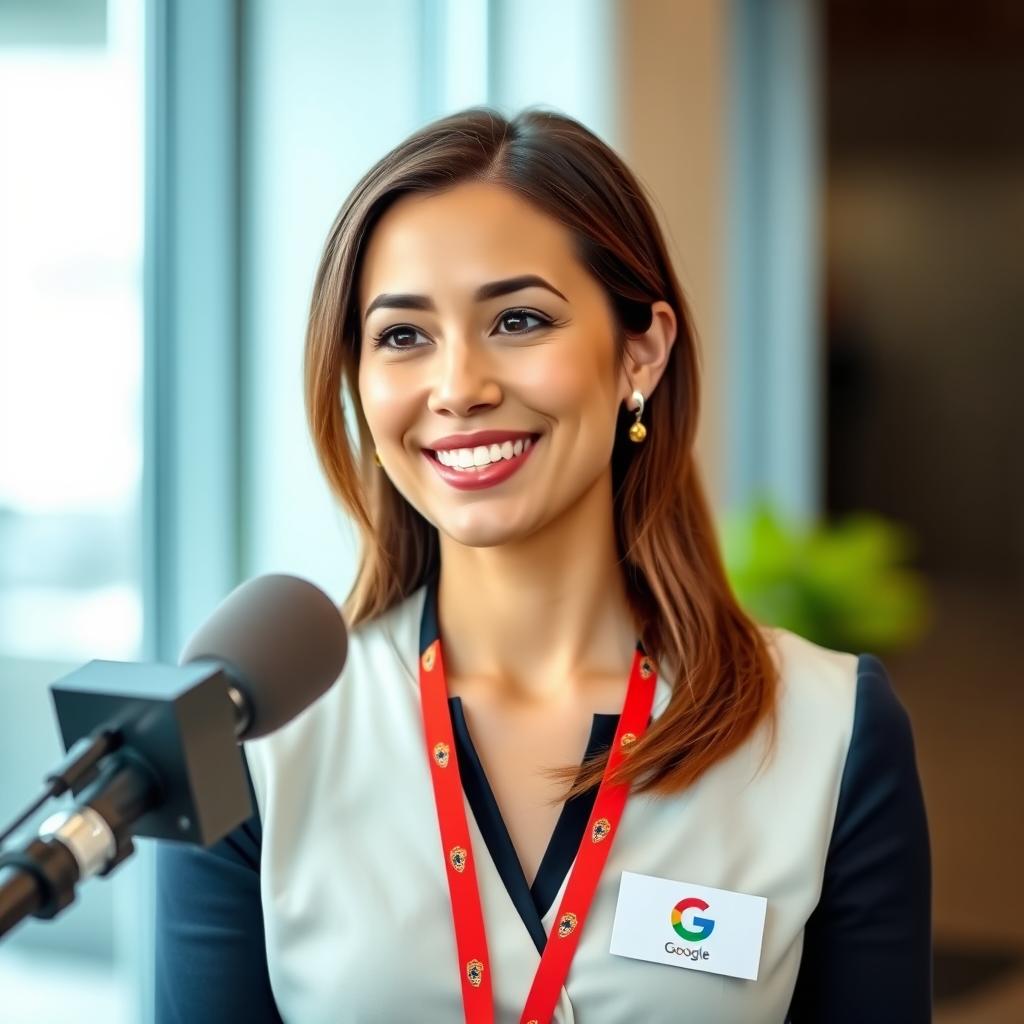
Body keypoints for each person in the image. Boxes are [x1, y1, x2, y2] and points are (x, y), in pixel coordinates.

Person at [154, 106, 932, 1023]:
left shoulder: (826, 732)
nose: (459, 388)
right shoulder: (259, 737)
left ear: (640, 351)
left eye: (518, 320)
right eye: (403, 336)